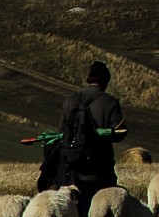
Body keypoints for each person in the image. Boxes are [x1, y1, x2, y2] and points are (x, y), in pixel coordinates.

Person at [50, 62, 125, 202]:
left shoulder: (70, 101)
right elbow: (119, 133)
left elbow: (61, 132)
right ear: (105, 82)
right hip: (101, 167)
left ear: (88, 80)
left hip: (73, 166)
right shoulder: (110, 102)